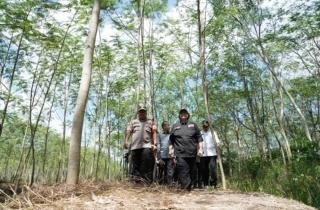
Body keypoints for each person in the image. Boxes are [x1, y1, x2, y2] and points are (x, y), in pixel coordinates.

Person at [169, 108, 203, 190]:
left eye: (185, 114)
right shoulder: (175, 126)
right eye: (182, 115)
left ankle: (189, 187)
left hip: (192, 153)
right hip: (180, 154)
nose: (183, 116)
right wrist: (171, 151)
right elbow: (171, 141)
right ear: (179, 116)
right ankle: (186, 189)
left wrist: (200, 149)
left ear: (187, 115)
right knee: (183, 171)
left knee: (192, 172)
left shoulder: (193, 125)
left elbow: (199, 138)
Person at [124, 105, 157, 183]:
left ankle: (147, 183)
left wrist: (155, 144)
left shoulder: (150, 122)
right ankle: (136, 183)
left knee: (146, 164)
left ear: (146, 113)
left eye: (143, 112)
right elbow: (128, 131)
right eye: (140, 112)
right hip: (135, 147)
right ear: (138, 113)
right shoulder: (133, 121)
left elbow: (154, 132)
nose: (142, 113)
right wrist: (126, 141)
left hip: (147, 146)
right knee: (135, 166)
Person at [200, 120, 220, 188]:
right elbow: (197, 143)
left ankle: (213, 184)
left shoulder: (213, 133)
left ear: (208, 126)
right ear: (202, 126)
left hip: (212, 153)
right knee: (204, 169)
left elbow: (218, 142)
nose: (205, 127)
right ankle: (205, 184)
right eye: (204, 126)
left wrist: (217, 146)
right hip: (203, 154)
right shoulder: (200, 133)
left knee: (213, 169)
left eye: (206, 126)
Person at [157, 121, 175, 185]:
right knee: (161, 172)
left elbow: (174, 145)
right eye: (166, 125)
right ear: (163, 127)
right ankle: (159, 186)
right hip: (162, 157)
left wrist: (174, 157)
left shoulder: (172, 135)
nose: (168, 126)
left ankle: (169, 186)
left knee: (170, 172)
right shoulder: (159, 135)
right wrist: (159, 158)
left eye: (168, 125)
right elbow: (158, 146)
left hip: (170, 157)